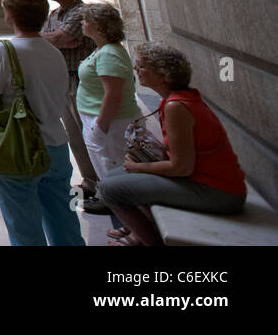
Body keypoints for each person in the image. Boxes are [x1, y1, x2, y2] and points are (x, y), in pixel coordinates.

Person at [98, 43, 247, 245]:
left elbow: (181, 167)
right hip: (210, 181)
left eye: (141, 66)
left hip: (218, 191)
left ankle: (151, 242)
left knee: (109, 190)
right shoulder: (176, 99)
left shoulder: (176, 106)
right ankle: (141, 234)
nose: (135, 69)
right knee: (114, 176)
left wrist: (138, 166)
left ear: (163, 75)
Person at [0, 0, 85, 246]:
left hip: (19, 149)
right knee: (65, 219)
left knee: (24, 226)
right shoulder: (53, 51)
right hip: (57, 146)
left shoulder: (5, 50)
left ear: (9, 14)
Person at [75, 3, 140, 239]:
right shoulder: (103, 49)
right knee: (111, 175)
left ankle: (137, 231)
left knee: (115, 176)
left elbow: (113, 95)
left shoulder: (110, 53)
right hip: (105, 123)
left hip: (111, 126)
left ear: (99, 26)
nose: (82, 23)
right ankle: (130, 224)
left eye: (85, 20)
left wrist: (99, 128)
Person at [40, 0, 101, 209]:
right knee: (74, 136)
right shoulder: (54, 14)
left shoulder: (82, 12)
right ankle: (90, 181)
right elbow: (50, 39)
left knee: (90, 134)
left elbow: (59, 38)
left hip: (82, 81)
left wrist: (55, 38)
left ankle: (106, 185)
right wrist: (54, 39)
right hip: (61, 81)